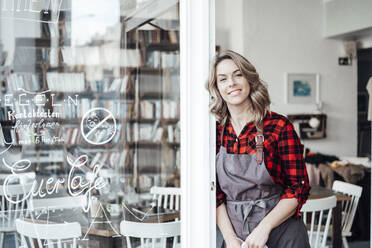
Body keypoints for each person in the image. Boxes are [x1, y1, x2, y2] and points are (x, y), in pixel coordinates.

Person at [206, 50, 311, 248]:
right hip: (235, 236)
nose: (232, 83)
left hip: (283, 232)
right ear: (217, 88)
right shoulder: (215, 133)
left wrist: (264, 229)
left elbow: (299, 187)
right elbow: (214, 193)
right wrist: (230, 239)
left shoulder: (279, 126)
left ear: (249, 79)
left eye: (238, 75)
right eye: (223, 79)